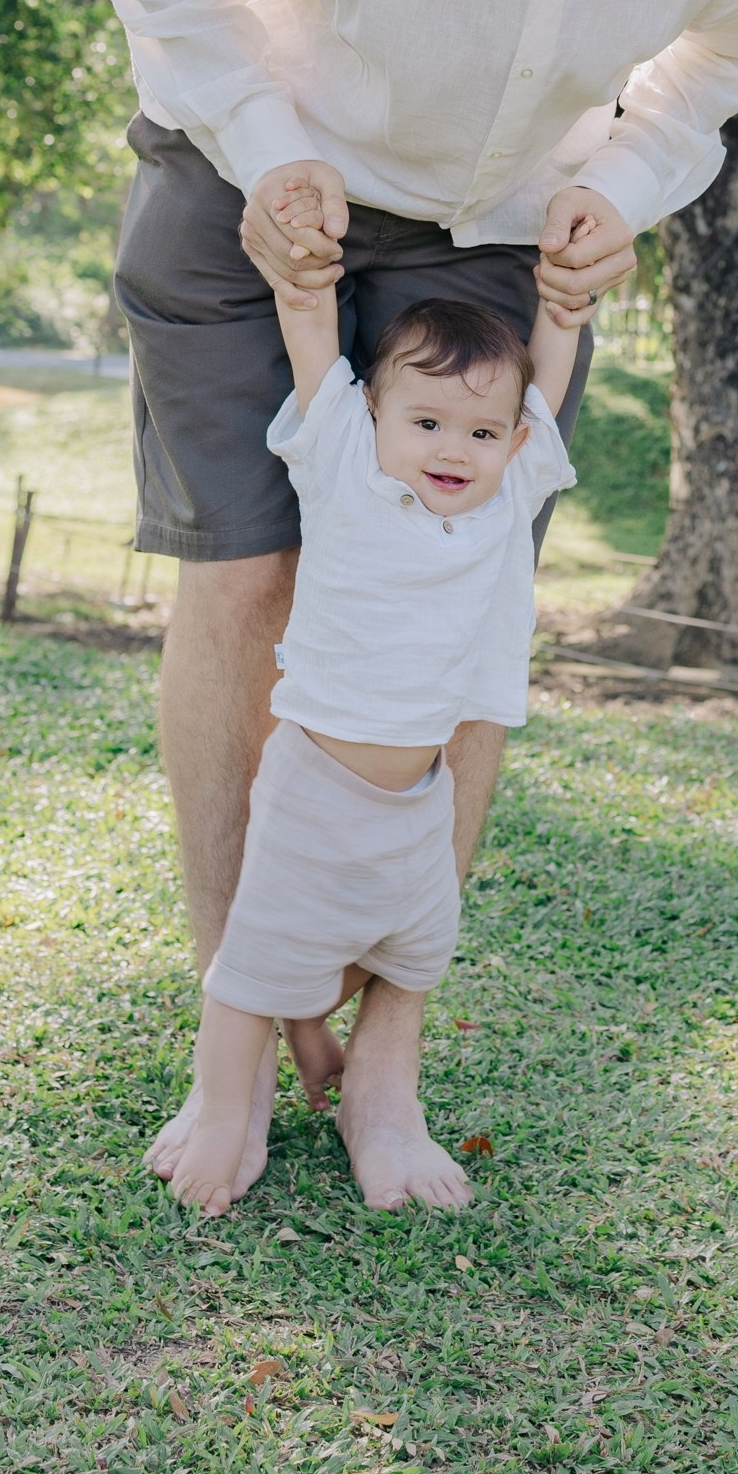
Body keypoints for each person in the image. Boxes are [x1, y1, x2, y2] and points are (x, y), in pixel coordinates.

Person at [104, 0, 738, 1205]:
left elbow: (716, 71)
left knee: (450, 619)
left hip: (495, 224)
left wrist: (619, 185)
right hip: (245, 174)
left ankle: (388, 1065)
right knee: (254, 586)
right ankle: (254, 1030)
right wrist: (270, 139)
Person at [159, 200, 587, 1216]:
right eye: (426, 421)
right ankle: (228, 1102)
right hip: (312, 782)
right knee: (254, 961)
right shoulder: (348, 465)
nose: (451, 446)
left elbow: (546, 386)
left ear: (511, 441)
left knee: (404, 948)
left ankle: (320, 1043)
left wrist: (563, 310)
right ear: (376, 417)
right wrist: (300, 281)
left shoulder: (503, 495)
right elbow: (314, 342)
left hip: (420, 800)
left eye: (479, 431)